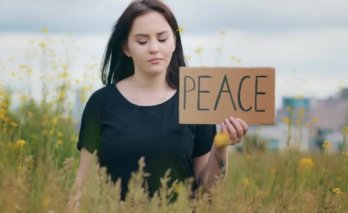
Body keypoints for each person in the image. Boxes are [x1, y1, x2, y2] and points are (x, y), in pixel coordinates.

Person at [68, 0, 248, 210]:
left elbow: (208, 190)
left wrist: (220, 146)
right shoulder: (101, 103)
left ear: (174, 42)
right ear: (126, 47)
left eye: (162, 38)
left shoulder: (195, 101)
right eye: (142, 41)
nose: (154, 48)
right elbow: (82, 184)